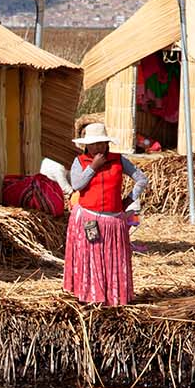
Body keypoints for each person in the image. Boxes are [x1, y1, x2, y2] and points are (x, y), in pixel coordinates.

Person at [64, 123, 148, 307]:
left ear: (107, 143)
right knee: (91, 258)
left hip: (113, 220)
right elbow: (77, 185)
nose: (97, 147)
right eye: (93, 144)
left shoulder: (118, 160)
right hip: (89, 218)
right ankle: (89, 295)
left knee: (113, 260)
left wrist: (128, 200)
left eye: (101, 143)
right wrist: (93, 167)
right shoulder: (80, 162)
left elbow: (142, 179)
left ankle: (113, 297)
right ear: (86, 145)